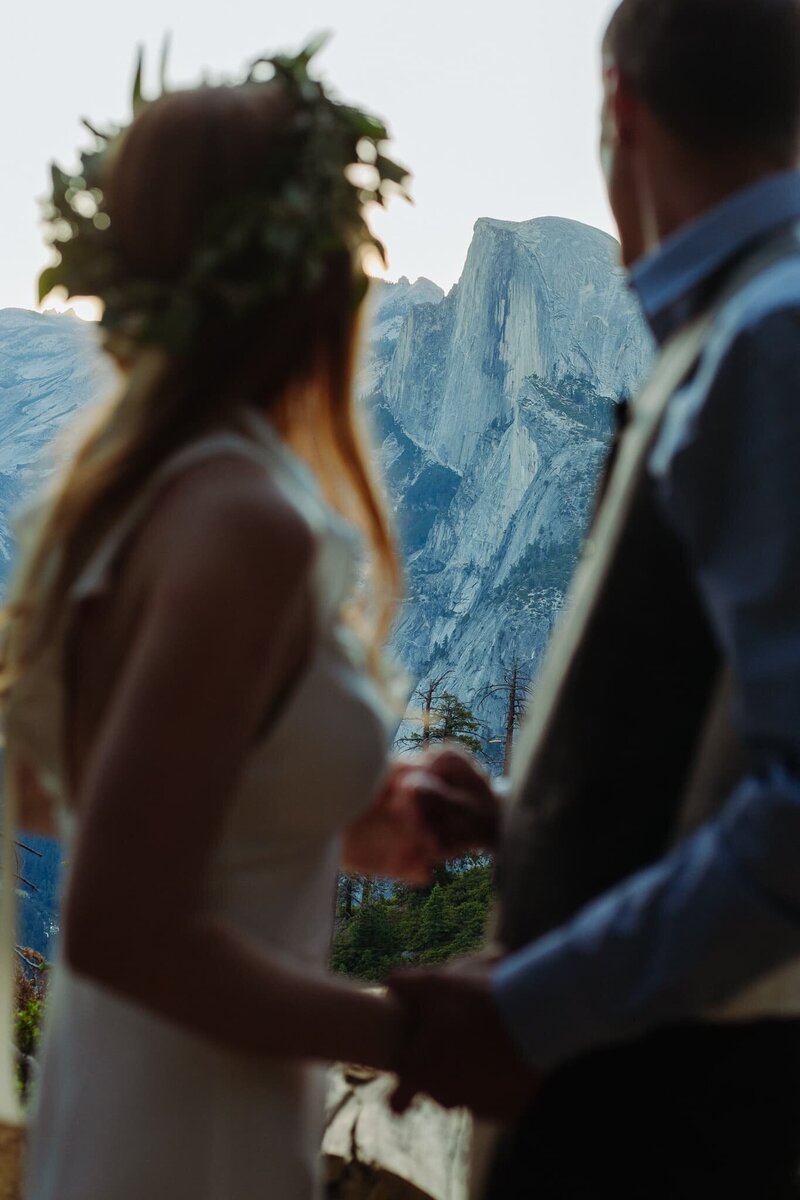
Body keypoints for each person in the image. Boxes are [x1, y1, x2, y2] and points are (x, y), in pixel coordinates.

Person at [0, 45, 497, 1200]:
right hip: (189, 1131)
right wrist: (414, 1031)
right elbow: (127, 922)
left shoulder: (143, 486)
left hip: (138, 1104)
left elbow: (67, 789)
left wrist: (336, 813)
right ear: (315, 270)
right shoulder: (239, 518)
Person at [391, 1, 800, 1194]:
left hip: (669, 1117)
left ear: (616, 105)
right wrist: (534, 816)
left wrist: (528, 1007)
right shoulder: (747, 323)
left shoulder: (766, 343)